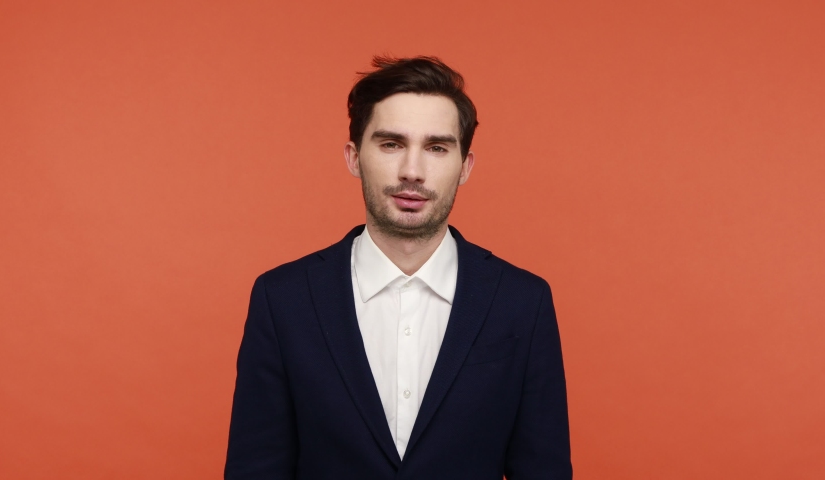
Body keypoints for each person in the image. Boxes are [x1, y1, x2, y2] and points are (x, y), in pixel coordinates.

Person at [224, 56, 572, 479]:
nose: (413, 171)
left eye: (437, 148)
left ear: (465, 167)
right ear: (354, 157)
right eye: (391, 144)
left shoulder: (523, 302)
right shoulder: (283, 299)